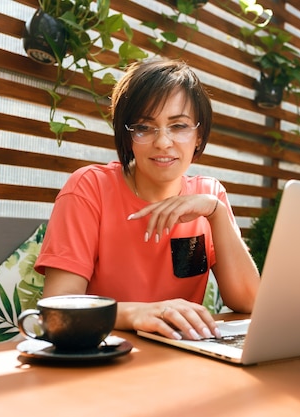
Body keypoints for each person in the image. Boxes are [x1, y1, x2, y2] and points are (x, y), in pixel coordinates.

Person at [35, 58, 260, 341]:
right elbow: (58, 310)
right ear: (127, 136)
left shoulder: (210, 195)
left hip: (183, 359)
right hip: (103, 355)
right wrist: (136, 314)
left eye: (179, 126)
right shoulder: (89, 188)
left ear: (198, 136)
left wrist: (216, 213)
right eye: (144, 127)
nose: (163, 142)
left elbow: (250, 302)